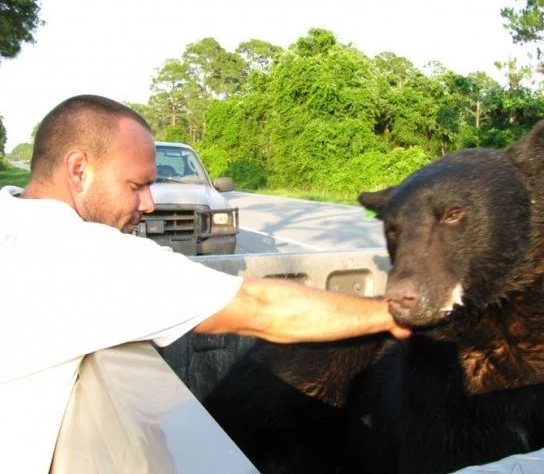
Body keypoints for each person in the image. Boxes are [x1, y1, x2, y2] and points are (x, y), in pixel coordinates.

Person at [0, 94, 410, 474]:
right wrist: (391, 315)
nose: (148, 204)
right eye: (136, 185)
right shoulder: (80, 254)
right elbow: (261, 307)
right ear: (78, 170)